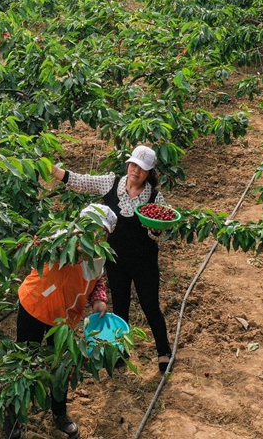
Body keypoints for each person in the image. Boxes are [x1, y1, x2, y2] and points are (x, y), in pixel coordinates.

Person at [51, 145, 172, 374]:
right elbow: (82, 182)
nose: (136, 171)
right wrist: (54, 171)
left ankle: (163, 350)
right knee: (120, 305)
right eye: (133, 165)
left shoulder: (155, 198)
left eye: (142, 168)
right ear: (128, 164)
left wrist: (154, 229)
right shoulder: (111, 183)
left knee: (150, 306)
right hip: (116, 261)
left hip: (144, 262)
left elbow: (158, 232)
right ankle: (121, 350)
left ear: (149, 172)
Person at [7, 204, 118, 439]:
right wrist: (70, 245)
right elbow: (40, 249)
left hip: (64, 319)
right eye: (89, 228)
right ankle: (13, 415)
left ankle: (59, 413)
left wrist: (99, 300)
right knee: (24, 360)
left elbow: (97, 280)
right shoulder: (61, 242)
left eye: (102, 232)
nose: (95, 235)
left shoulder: (99, 256)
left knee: (61, 366)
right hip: (35, 306)